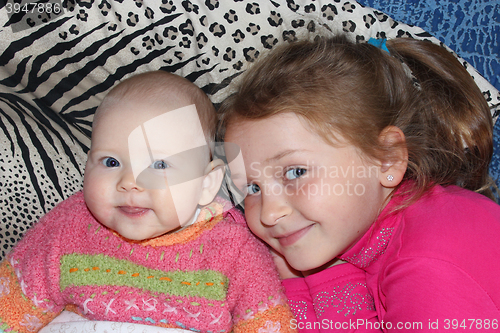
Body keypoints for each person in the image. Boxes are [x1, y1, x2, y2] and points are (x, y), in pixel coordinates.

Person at [220, 35, 500, 331]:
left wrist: (309, 285)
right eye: (252, 188)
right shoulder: (394, 227)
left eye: (295, 172)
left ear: (386, 159)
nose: (268, 213)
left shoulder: (426, 265)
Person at [0, 71, 296, 333]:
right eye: (111, 161)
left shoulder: (234, 250)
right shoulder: (68, 228)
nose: (130, 181)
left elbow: (266, 321)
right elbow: (12, 304)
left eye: (158, 165)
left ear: (205, 185)